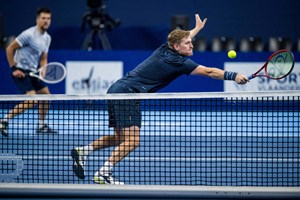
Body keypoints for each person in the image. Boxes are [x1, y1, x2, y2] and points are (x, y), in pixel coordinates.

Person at [71, 14, 249, 185]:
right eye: (188, 44)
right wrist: (234, 75)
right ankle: (104, 172)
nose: (191, 45)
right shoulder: (180, 62)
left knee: (120, 137)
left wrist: (195, 30)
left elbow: (182, 39)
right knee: (133, 140)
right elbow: (210, 72)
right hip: (128, 93)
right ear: (177, 47)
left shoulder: (165, 47)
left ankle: (84, 151)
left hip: (117, 90)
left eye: (191, 42)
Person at [0, 7, 57, 137]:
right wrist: (14, 68)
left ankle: (41, 125)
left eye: (48, 18)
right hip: (21, 71)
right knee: (32, 100)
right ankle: (4, 121)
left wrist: (43, 69)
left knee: (46, 97)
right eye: (43, 18)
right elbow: (10, 49)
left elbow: (43, 58)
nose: (46, 21)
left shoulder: (47, 38)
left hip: (33, 72)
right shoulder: (28, 34)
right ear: (37, 19)